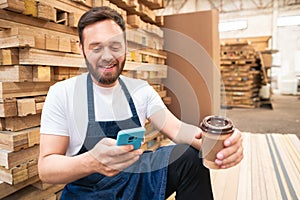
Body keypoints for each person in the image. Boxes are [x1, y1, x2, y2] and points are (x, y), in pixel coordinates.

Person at [38, 6, 243, 200]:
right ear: (81, 48)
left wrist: (219, 145)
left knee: (189, 157)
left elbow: (178, 129)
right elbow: (46, 169)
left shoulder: (140, 90)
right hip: (88, 192)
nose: (107, 56)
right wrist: (91, 161)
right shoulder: (62, 94)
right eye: (96, 47)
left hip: (136, 181)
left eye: (115, 46)